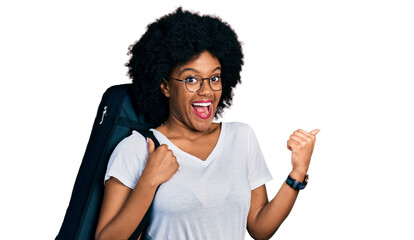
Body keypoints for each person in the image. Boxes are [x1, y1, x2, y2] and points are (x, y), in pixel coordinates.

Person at [95, 8, 319, 240]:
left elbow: (259, 228)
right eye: (191, 79)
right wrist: (149, 181)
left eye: (214, 78)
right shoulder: (138, 149)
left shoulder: (241, 137)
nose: (206, 91)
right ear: (164, 86)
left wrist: (298, 172)